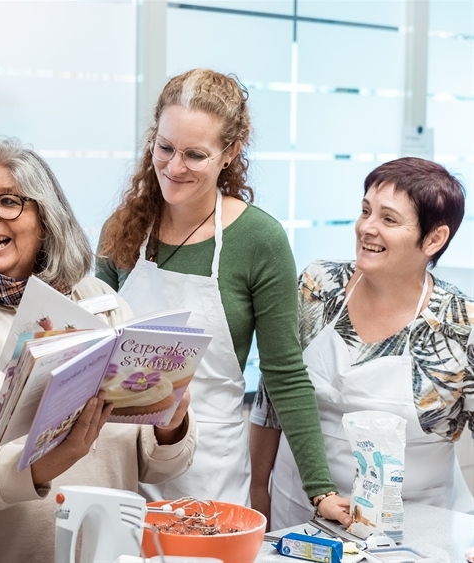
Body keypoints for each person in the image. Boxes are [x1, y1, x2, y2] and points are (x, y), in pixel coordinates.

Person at [0, 138, 196, 563]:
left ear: (46, 218)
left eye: (9, 202)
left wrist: (171, 423)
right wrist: (38, 465)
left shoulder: (100, 300)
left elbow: (155, 465)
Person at [96, 68, 350, 524]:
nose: (174, 167)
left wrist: (320, 490)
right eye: (165, 148)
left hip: (207, 469)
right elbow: (95, 346)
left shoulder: (259, 239)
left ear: (230, 153)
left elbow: (285, 374)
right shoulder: (123, 229)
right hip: (119, 462)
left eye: (195, 154)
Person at [250, 157, 474, 530]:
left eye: (388, 219)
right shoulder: (318, 286)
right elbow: (272, 398)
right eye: (365, 211)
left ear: (434, 238)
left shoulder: (459, 324)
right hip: (298, 513)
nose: (366, 228)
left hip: (413, 525)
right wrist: (258, 490)